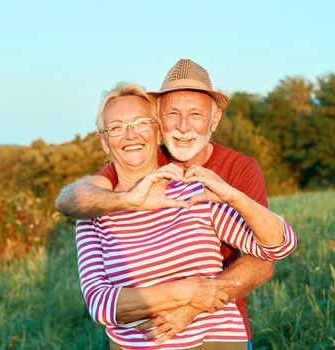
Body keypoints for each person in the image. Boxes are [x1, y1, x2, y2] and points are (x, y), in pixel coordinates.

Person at [55, 59, 281, 345]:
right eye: (173, 113)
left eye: (196, 114)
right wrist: (129, 200)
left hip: (216, 324)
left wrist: (192, 305)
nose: (184, 127)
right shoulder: (139, 162)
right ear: (160, 121)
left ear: (214, 119)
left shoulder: (237, 171)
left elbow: (266, 257)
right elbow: (71, 199)